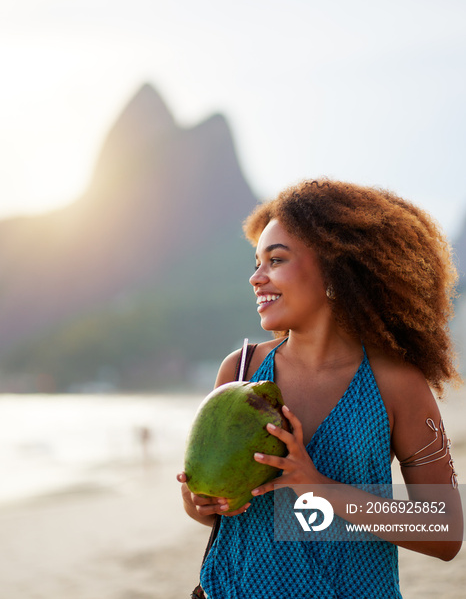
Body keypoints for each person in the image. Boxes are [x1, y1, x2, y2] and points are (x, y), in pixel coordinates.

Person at [177, 179, 463, 598]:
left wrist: (320, 489)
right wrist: (201, 503)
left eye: (275, 260)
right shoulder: (240, 370)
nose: (256, 278)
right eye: (257, 262)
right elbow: (228, 519)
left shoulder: (395, 383)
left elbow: (445, 531)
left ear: (334, 267)